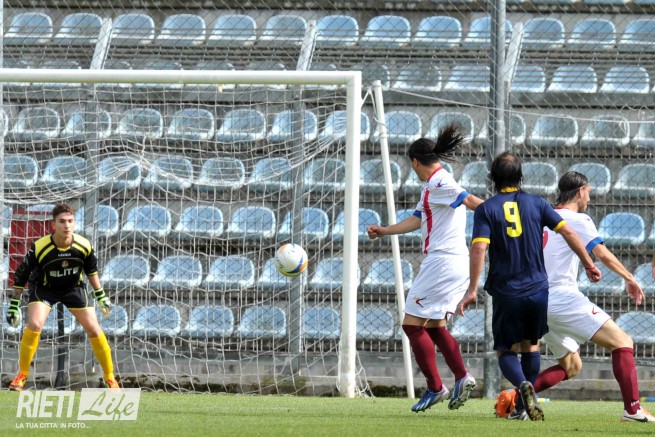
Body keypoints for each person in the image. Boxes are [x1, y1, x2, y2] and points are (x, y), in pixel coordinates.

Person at [457, 152, 601, 421]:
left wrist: (472, 289)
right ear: (520, 176)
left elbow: (478, 249)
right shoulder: (537, 203)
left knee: (505, 350)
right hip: (537, 289)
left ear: (493, 178)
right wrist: (588, 263)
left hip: (506, 290)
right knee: (531, 346)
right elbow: (568, 231)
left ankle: (522, 384)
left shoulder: (487, 209)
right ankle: (523, 407)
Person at [513, 171, 652, 422]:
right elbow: (601, 253)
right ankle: (632, 410)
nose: (589, 198)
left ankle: (516, 400)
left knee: (572, 365)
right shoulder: (577, 219)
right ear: (580, 191)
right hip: (560, 297)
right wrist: (629, 277)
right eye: (588, 192)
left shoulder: (540, 218)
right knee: (622, 342)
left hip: (534, 301)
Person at [367, 124, 483, 413]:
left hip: (442, 262)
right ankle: (461, 376)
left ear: (415, 162)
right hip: (451, 261)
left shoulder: (440, 183)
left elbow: (471, 201)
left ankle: (435, 387)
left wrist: (504, 213)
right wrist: (385, 230)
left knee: (411, 324)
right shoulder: (433, 185)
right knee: (434, 326)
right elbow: (418, 219)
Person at [6, 203, 118, 390]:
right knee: (34, 325)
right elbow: (21, 275)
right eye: (62, 221)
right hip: (44, 288)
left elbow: (91, 271)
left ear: (74, 223)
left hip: (73, 288)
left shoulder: (84, 245)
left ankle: (110, 377)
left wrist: (101, 295)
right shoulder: (39, 247)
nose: (67, 225)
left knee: (94, 329)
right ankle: (22, 375)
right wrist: (14, 304)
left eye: (70, 221)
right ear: (53, 224)